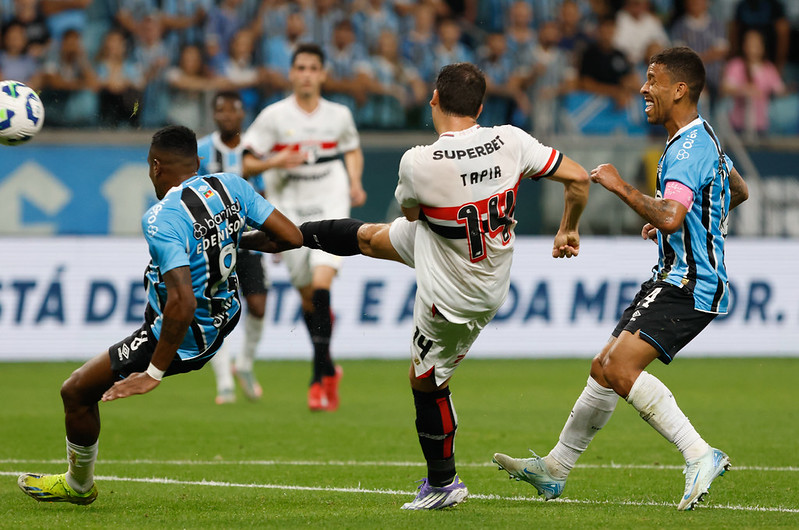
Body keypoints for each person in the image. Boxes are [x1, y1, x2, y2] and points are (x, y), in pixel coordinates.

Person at [297, 62, 590, 509]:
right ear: (481, 108)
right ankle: (290, 235)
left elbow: (414, 213)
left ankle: (443, 484)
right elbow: (579, 178)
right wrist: (568, 228)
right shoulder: (511, 139)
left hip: (455, 295)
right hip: (481, 264)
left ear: (434, 99)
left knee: (426, 381)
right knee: (370, 239)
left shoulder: (419, 161)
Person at [492, 47, 750, 512]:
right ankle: (555, 468)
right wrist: (688, 223)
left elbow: (670, 215)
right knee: (603, 368)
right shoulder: (701, 137)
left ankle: (699, 453)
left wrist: (620, 187)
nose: (643, 88)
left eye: (652, 80)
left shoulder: (687, 148)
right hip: (674, 276)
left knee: (619, 369)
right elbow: (736, 189)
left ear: (680, 89)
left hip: (688, 282)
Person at [17, 125, 302, 505]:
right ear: (198, 161)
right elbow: (292, 237)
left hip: (186, 334)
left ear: (155, 166)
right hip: (226, 312)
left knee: (76, 390)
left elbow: (181, 303)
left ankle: (78, 484)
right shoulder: (231, 185)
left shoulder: (161, 217)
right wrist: (229, 241)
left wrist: (153, 372)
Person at [241, 43, 366, 412]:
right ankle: (329, 367)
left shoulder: (339, 115)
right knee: (309, 296)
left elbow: (352, 149)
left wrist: (355, 181)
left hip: (330, 201)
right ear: (291, 73)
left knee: (322, 282)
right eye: (301, 68)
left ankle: (317, 379)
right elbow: (245, 162)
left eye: (313, 68)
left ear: (323, 74)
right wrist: (276, 160)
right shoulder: (274, 117)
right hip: (289, 207)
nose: (307, 74)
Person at [198, 90, 270, 404]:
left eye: (233, 110)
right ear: (214, 115)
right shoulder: (202, 151)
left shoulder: (253, 153)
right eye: (221, 110)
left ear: (242, 115)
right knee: (217, 311)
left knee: (258, 307)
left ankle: (244, 364)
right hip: (213, 246)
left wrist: (273, 236)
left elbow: (263, 197)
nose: (227, 115)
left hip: (249, 243)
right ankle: (224, 382)